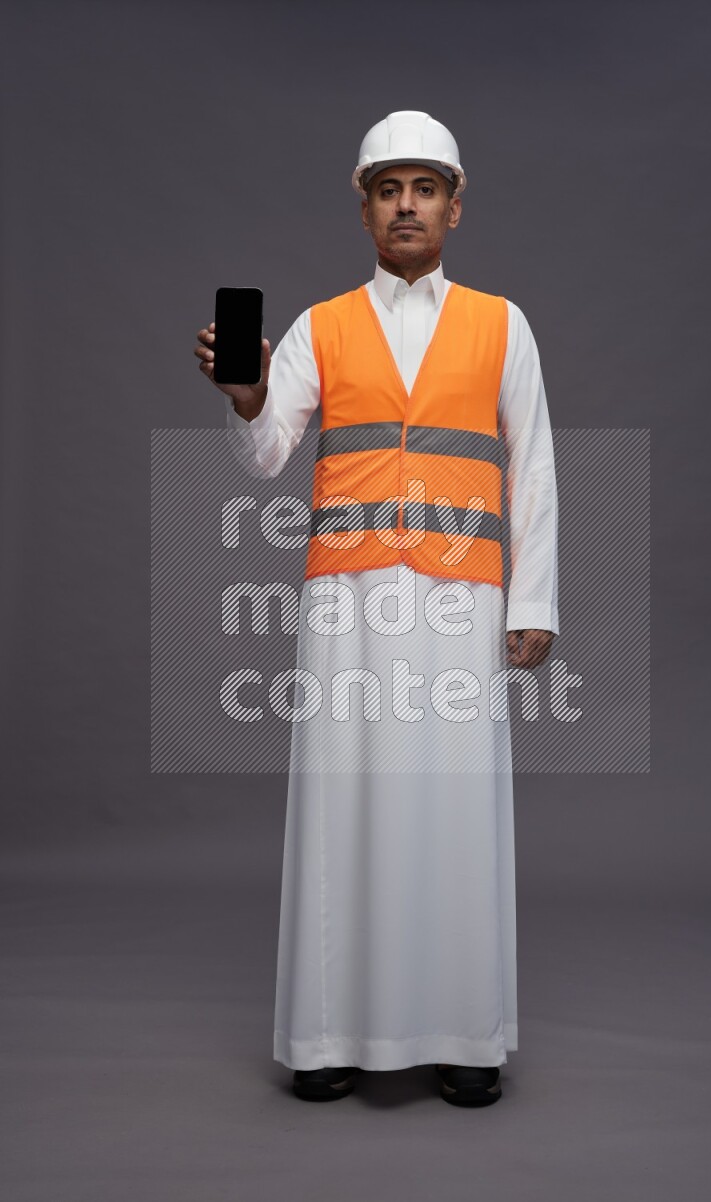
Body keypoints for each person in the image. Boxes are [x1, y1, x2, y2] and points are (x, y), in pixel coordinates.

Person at [194, 110, 559, 1107]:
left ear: (453, 205)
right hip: (347, 601)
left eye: (424, 187)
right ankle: (326, 1034)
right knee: (340, 803)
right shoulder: (319, 325)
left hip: (459, 604)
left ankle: (463, 1034)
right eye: (388, 188)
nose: (407, 203)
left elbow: (531, 468)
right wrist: (245, 392)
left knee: (455, 809)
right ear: (363, 209)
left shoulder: (501, 323)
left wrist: (533, 601)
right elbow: (270, 453)